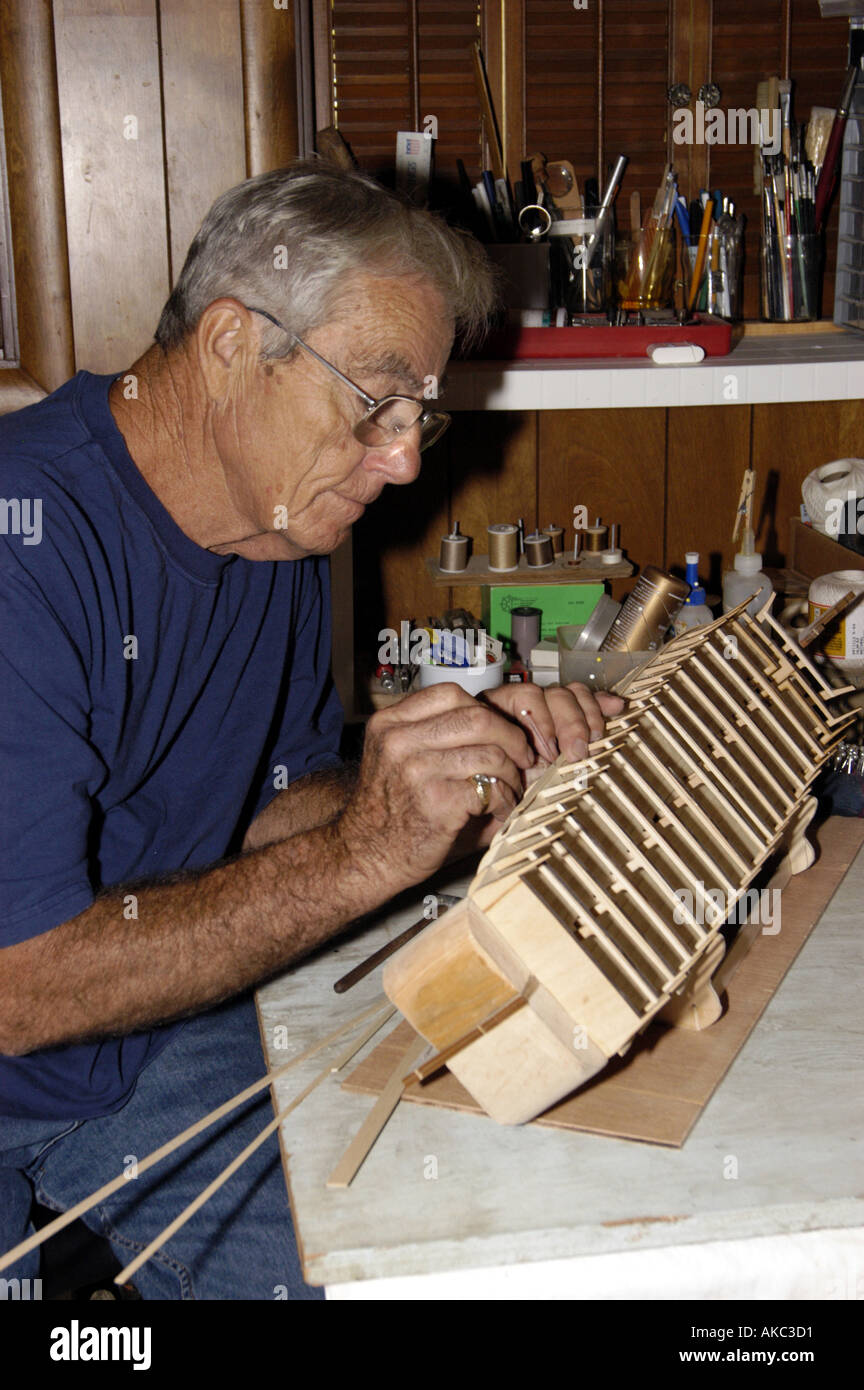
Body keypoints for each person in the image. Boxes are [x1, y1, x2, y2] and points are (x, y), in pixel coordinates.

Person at [0, 161, 622, 1298]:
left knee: (418, 1253)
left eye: (419, 417)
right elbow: (21, 985)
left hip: (144, 1038)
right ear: (234, 343)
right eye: (373, 402)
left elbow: (266, 815)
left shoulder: (280, 525)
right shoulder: (22, 549)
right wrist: (362, 852)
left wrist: (468, 782)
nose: (400, 462)